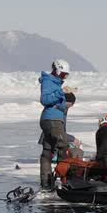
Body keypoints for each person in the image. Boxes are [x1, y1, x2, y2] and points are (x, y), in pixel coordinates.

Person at [38, 59, 73, 188]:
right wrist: (61, 92)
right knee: (63, 147)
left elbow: (57, 103)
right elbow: (45, 99)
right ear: (57, 71)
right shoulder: (48, 81)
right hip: (51, 120)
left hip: (53, 119)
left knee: (48, 152)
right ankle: (64, 181)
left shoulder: (55, 83)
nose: (65, 77)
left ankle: (47, 183)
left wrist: (64, 104)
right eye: (64, 74)